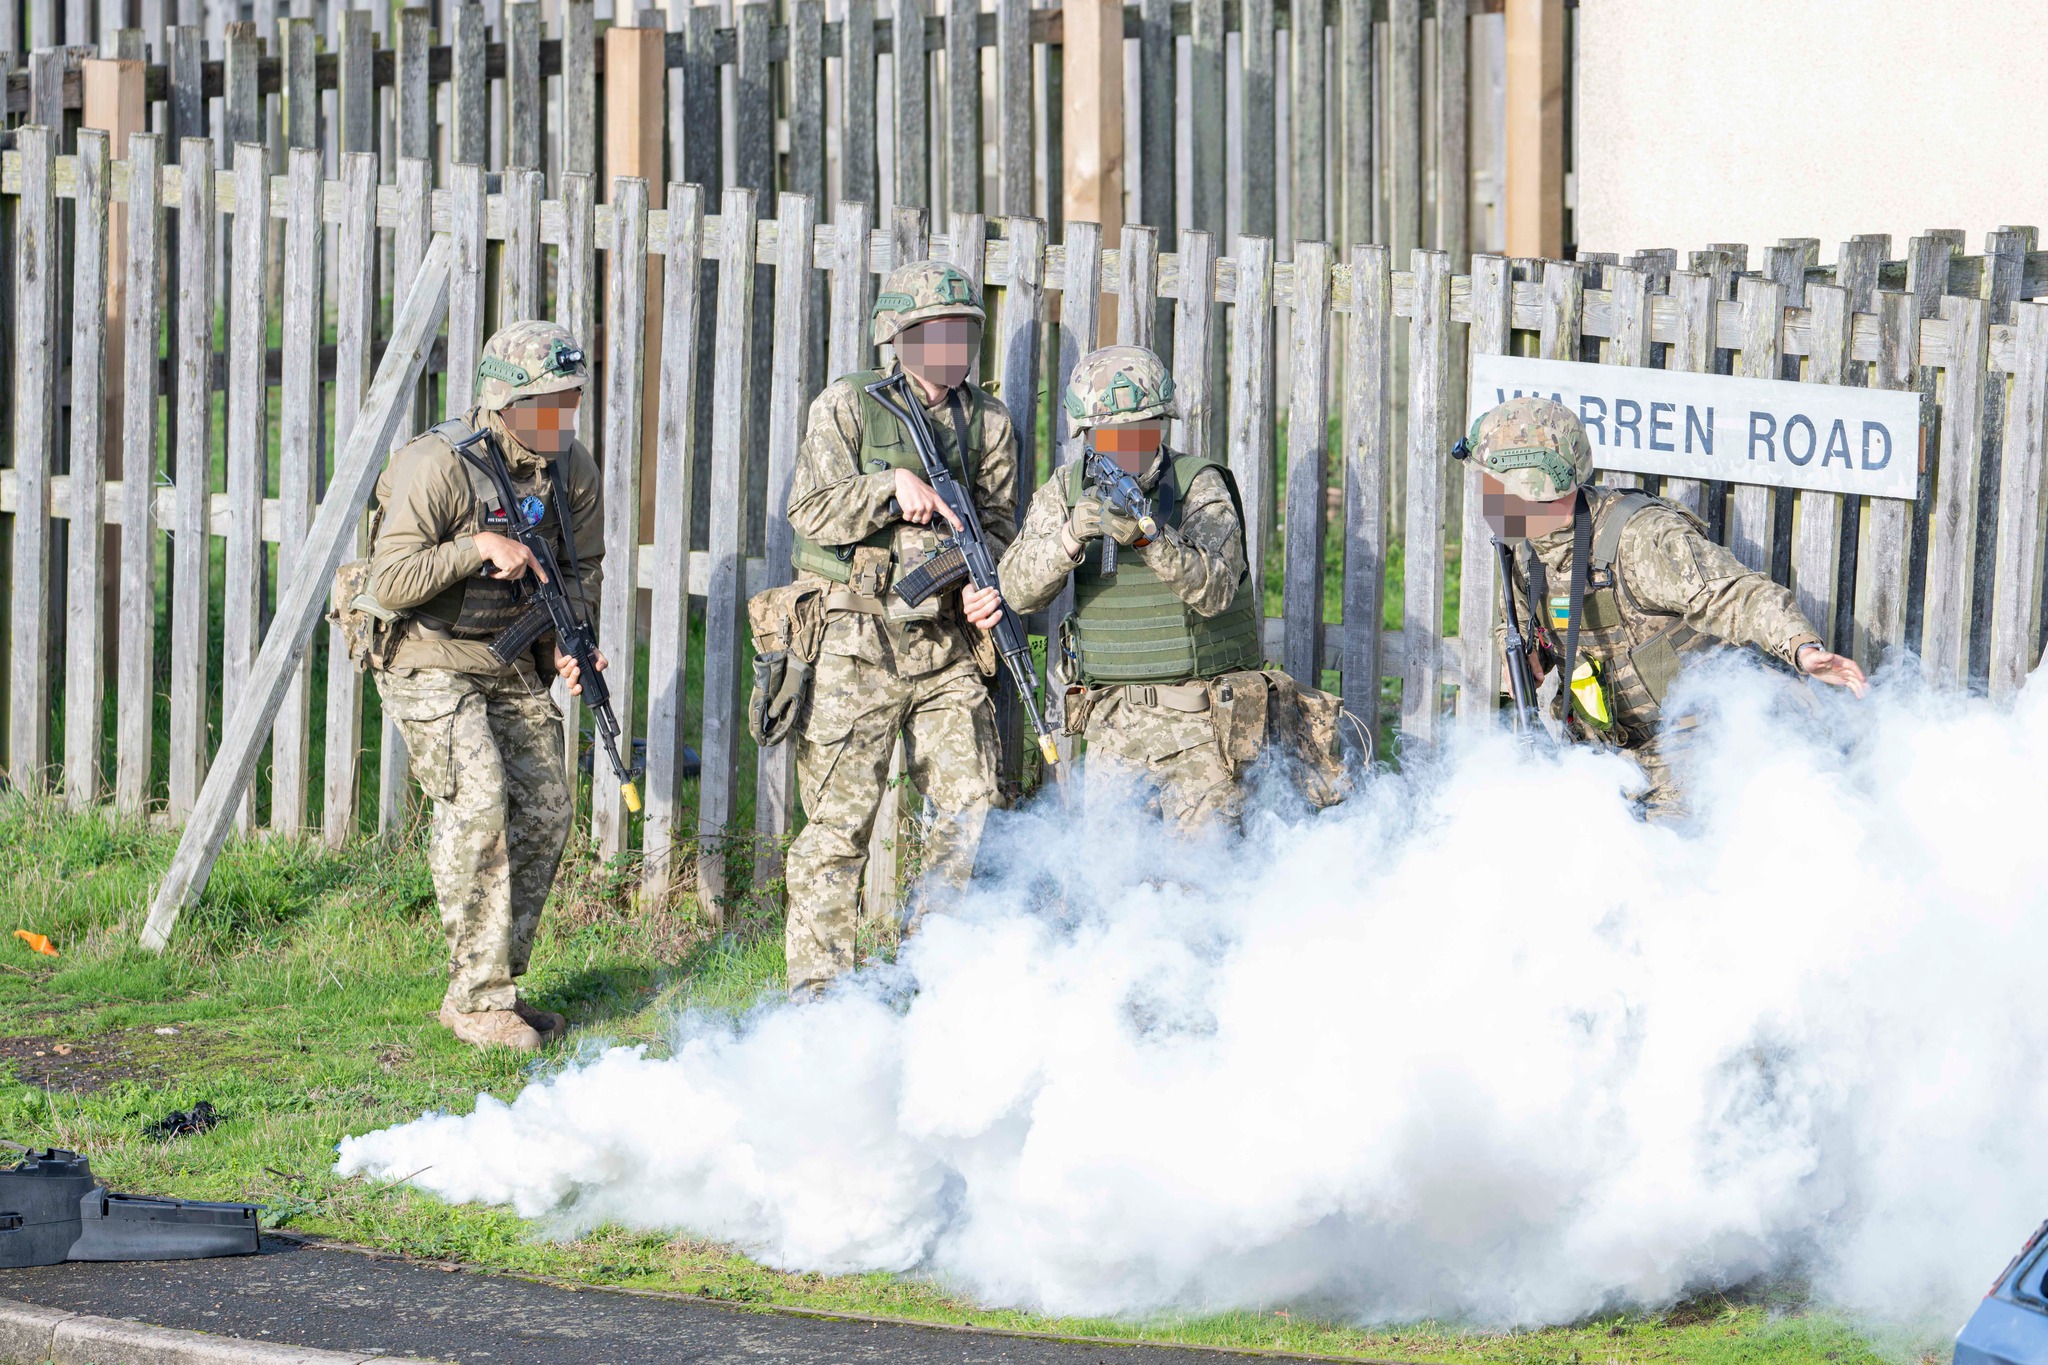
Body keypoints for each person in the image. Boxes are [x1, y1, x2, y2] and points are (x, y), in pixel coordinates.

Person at [359, 320, 607, 1050]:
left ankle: (494, 980)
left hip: (508, 657)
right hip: (428, 650)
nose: (559, 419)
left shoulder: (573, 471)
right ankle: (477, 997)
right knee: (480, 799)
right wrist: (475, 547)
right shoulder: (436, 465)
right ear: (500, 402)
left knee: (549, 807)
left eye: (569, 402)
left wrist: (573, 641)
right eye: (543, 405)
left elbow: (579, 571)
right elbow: (388, 581)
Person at [779, 260, 1018, 996]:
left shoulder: (988, 422)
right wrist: (890, 489)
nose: (953, 344)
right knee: (838, 823)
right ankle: (820, 992)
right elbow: (809, 509)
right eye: (936, 331)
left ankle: (933, 973)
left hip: (947, 647)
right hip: (858, 644)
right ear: (900, 336)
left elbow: (1002, 528)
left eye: (963, 330)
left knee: (971, 803)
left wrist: (993, 587)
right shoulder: (848, 406)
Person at [1465, 395, 1868, 819]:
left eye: (1497, 488)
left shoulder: (1640, 539)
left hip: (1699, 744)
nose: (1488, 502)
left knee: (1672, 868)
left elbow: (1734, 593)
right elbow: (1516, 624)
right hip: (1604, 757)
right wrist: (1522, 655)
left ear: (1533, 488)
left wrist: (1801, 647)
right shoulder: (1529, 551)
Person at [998, 345, 1285, 833]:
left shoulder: (1199, 485)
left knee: (1205, 886)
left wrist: (1150, 538)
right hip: (1114, 733)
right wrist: (1069, 538)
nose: (1120, 447)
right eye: (1106, 437)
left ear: (1157, 427)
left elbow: (1215, 592)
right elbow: (1015, 591)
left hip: (1202, 732)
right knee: (1115, 890)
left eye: (1135, 434)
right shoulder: (1066, 489)